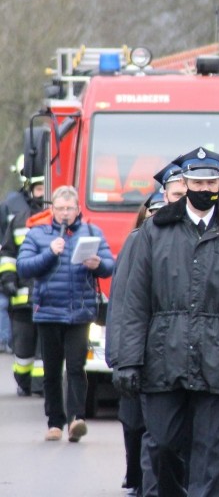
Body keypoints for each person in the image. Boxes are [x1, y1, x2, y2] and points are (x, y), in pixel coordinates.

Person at [114, 147, 219, 497]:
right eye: (197, 181)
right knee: (164, 443)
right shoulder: (155, 229)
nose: (204, 187)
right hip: (163, 354)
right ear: (184, 183)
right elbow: (135, 301)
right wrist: (128, 359)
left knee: (212, 452)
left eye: (210, 181)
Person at [108, 161, 187, 497]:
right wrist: (123, 360)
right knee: (158, 442)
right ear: (164, 196)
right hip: (156, 357)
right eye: (177, 194)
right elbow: (124, 304)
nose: (185, 200)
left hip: (204, 360)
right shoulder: (142, 240)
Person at [17, 185, 115, 442]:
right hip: (48, 312)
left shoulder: (92, 232)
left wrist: (98, 264)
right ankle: (54, 422)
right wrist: (50, 252)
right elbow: (24, 267)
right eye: (59, 209)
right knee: (51, 371)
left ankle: (76, 419)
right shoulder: (38, 234)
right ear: (53, 210)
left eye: (69, 208)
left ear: (77, 209)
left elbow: (109, 266)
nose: (64, 213)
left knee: (76, 367)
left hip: (80, 313)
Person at [0, 170, 46, 395]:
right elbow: (8, 254)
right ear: (30, 192)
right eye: (39, 189)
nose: (42, 194)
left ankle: (41, 386)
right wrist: (8, 279)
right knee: (24, 348)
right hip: (21, 299)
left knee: (45, 349)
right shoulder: (19, 220)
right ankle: (24, 382)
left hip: (47, 298)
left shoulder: (59, 221)